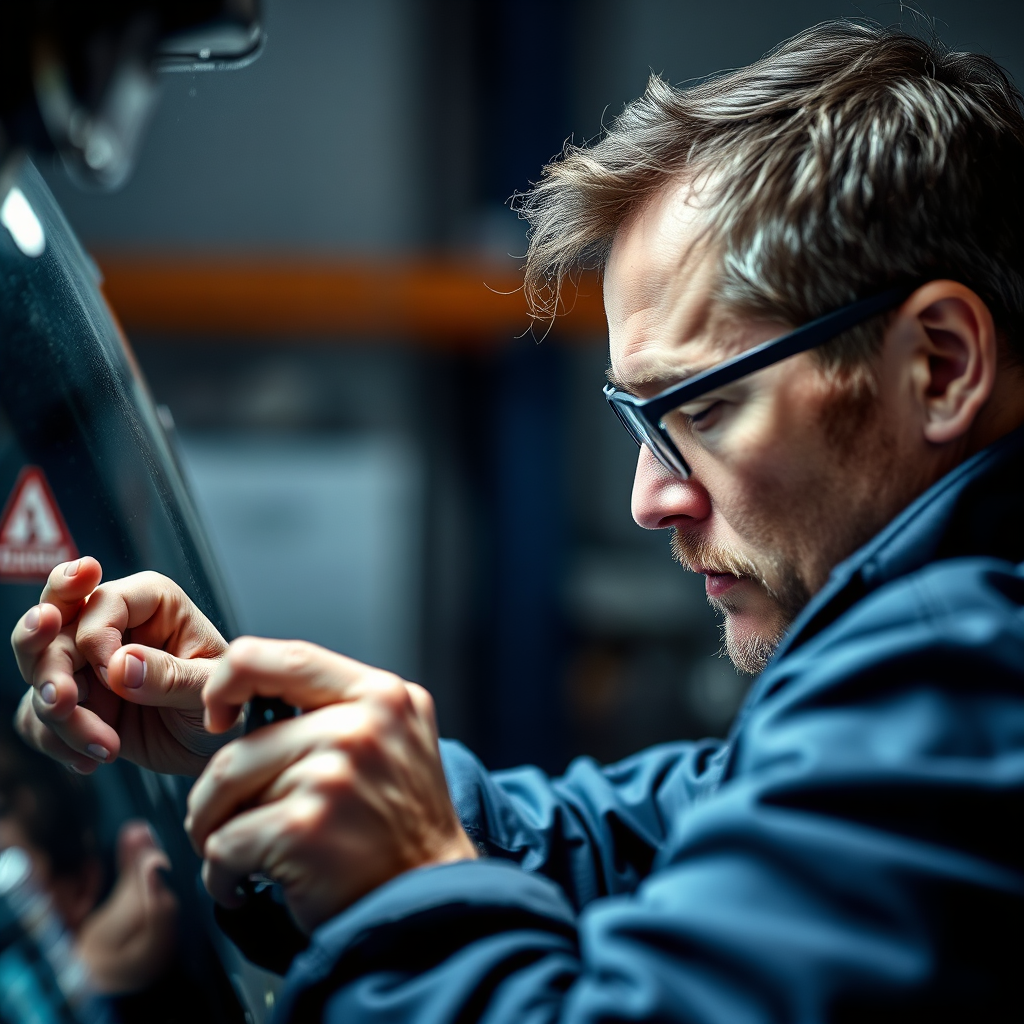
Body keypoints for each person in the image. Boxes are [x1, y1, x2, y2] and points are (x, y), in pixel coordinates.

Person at [10, 18, 1024, 1021]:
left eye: (705, 409)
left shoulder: (967, 684)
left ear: (938, 365)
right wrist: (272, 744)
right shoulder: (910, 687)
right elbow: (642, 838)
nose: (649, 499)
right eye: (639, 420)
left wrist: (409, 895)